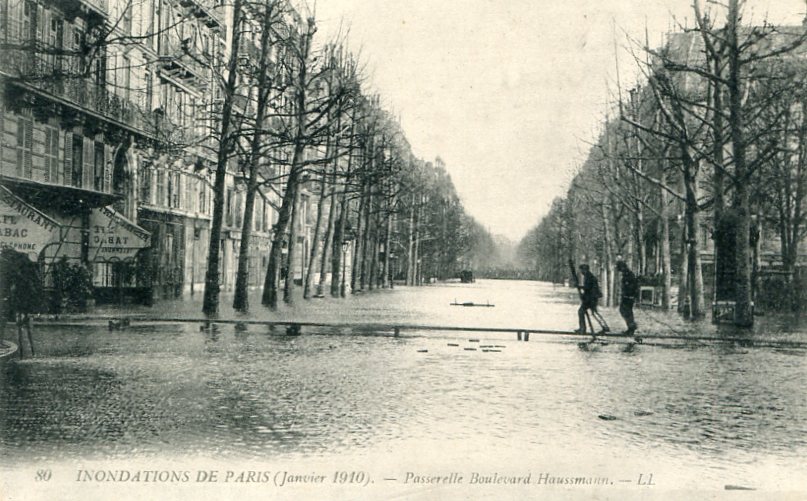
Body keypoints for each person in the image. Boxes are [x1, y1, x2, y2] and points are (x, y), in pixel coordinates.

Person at [575, 264, 606, 335]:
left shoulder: (589, 277)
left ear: (585, 270)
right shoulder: (589, 276)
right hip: (591, 298)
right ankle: (604, 327)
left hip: (591, 299)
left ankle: (582, 328)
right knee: (593, 312)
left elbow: (588, 288)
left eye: (582, 270)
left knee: (581, 312)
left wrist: (580, 287)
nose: (581, 272)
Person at [616, 260, 639, 336]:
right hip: (627, 296)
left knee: (626, 311)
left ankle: (631, 327)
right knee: (625, 311)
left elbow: (632, 286)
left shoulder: (629, 275)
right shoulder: (626, 274)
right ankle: (631, 327)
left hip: (629, 297)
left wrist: (630, 295)